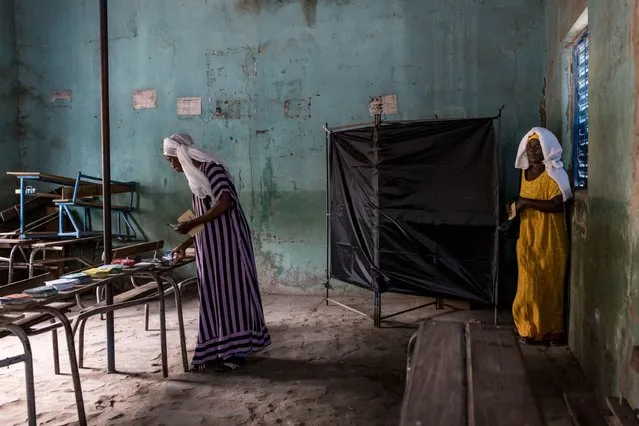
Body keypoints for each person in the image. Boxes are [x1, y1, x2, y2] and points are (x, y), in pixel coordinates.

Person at [163, 133, 271, 372]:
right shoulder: (195, 180)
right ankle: (215, 351)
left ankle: (237, 353)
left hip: (230, 245)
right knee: (213, 297)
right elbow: (200, 216)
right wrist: (184, 244)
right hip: (209, 248)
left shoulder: (214, 169)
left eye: (170, 160)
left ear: (178, 155)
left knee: (233, 294)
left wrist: (192, 225)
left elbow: (224, 203)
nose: (171, 166)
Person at [511, 127, 572, 346]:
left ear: (547, 149)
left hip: (550, 237)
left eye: (537, 147)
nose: (533, 151)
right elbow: (522, 199)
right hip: (528, 235)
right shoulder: (524, 174)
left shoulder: (555, 173)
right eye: (529, 147)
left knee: (550, 283)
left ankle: (552, 330)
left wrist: (525, 203)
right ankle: (528, 327)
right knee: (528, 282)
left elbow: (557, 205)